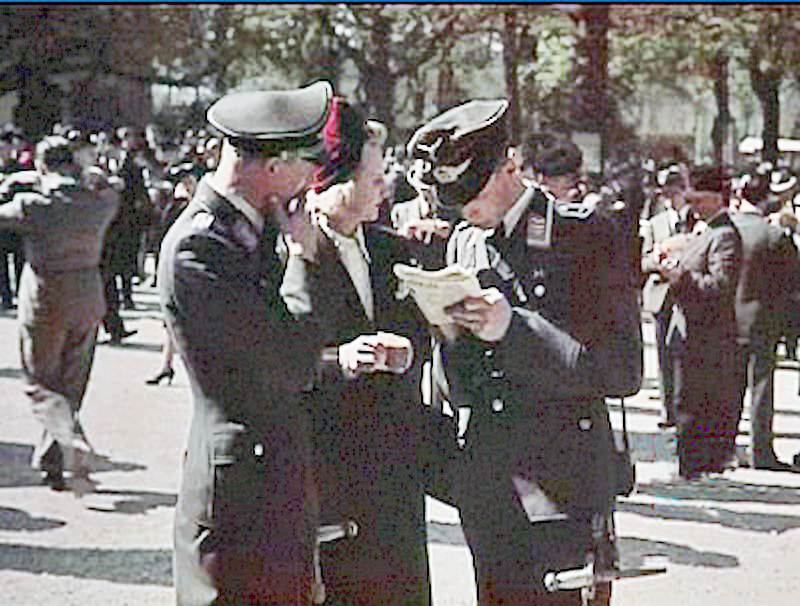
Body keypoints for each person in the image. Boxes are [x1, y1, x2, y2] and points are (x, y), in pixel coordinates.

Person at [160, 82, 401, 606]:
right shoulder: (201, 246)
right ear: (273, 168)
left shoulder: (252, 225)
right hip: (239, 497)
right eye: (306, 164)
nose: (312, 179)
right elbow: (287, 361)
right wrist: (303, 259)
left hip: (276, 480)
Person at [407, 101, 642, 605]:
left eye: (472, 192)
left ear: (509, 166)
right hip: (489, 487)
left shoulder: (586, 235)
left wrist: (513, 328)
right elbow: (461, 384)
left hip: (563, 487)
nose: (465, 210)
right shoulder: (465, 244)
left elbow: (621, 370)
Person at [293, 115, 447, 604]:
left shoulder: (390, 248)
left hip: (395, 469)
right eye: (376, 180)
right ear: (335, 182)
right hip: (327, 464)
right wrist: (340, 361)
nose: (386, 191)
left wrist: (409, 351)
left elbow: (419, 332)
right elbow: (268, 359)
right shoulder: (291, 252)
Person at [0, 135, 119, 490]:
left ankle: (68, 438)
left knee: (40, 380)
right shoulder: (100, 204)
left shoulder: (33, 205)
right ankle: (55, 454)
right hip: (88, 293)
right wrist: (94, 176)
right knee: (72, 380)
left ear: (41, 165)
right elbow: (114, 186)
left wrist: (9, 182)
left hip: (45, 297)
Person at [661, 166, 743, 479]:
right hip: (689, 331)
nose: (692, 205)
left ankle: (697, 464)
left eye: (698, 199)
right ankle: (691, 462)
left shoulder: (724, 235)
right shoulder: (704, 231)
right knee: (686, 398)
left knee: (696, 401)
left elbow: (720, 286)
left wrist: (680, 276)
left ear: (713, 199)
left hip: (705, 337)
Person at [730, 173, 800, 470]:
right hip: (763, 319)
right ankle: (761, 449)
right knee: (761, 385)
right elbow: (792, 282)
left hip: (726, 320)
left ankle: (724, 448)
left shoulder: (725, 229)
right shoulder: (774, 236)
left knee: (728, 386)